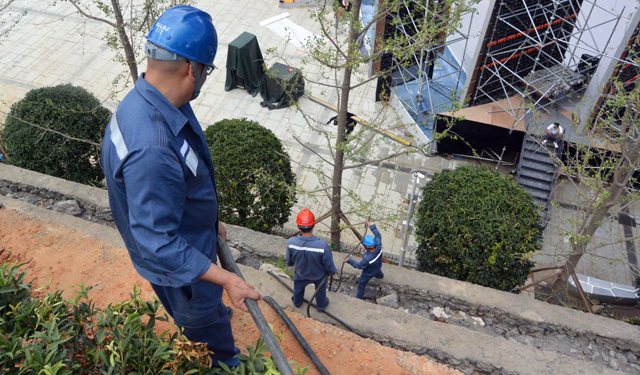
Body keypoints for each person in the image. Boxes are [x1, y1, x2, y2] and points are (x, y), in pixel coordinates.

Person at [101, 6, 260, 369]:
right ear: (193, 69)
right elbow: (158, 242)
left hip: (188, 237)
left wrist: (208, 220)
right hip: (183, 269)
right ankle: (218, 357)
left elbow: (181, 181)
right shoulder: (152, 147)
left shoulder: (151, 103)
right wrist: (225, 279)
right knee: (205, 324)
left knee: (205, 310)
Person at [286, 209, 337, 312]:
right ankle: (321, 306)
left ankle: (297, 302)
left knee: (298, 287)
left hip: (301, 273)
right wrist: (331, 272)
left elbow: (289, 262)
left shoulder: (291, 242)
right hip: (319, 275)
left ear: (298, 226)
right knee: (320, 290)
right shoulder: (322, 245)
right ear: (313, 225)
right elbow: (328, 263)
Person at [345, 221, 384, 299]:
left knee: (361, 285)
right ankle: (380, 276)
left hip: (368, 273)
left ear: (366, 246)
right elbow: (378, 235)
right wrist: (372, 226)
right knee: (377, 271)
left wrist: (349, 260)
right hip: (377, 266)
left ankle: (358, 299)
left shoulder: (367, 259)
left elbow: (358, 265)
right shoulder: (379, 246)